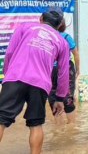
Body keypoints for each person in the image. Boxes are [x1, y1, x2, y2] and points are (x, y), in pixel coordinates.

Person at [0, 10, 70, 154]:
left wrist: (8, 76)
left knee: (1, 119)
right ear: (59, 26)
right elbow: (64, 72)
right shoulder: (62, 42)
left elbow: (10, 53)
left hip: (16, 77)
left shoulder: (25, 27)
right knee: (36, 124)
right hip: (40, 84)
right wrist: (60, 98)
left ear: (41, 18)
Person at [48, 18, 80, 124]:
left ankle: (59, 130)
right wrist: (78, 70)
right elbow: (76, 54)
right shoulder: (66, 37)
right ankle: (72, 127)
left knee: (53, 97)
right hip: (66, 68)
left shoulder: (47, 37)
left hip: (50, 70)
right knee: (67, 98)